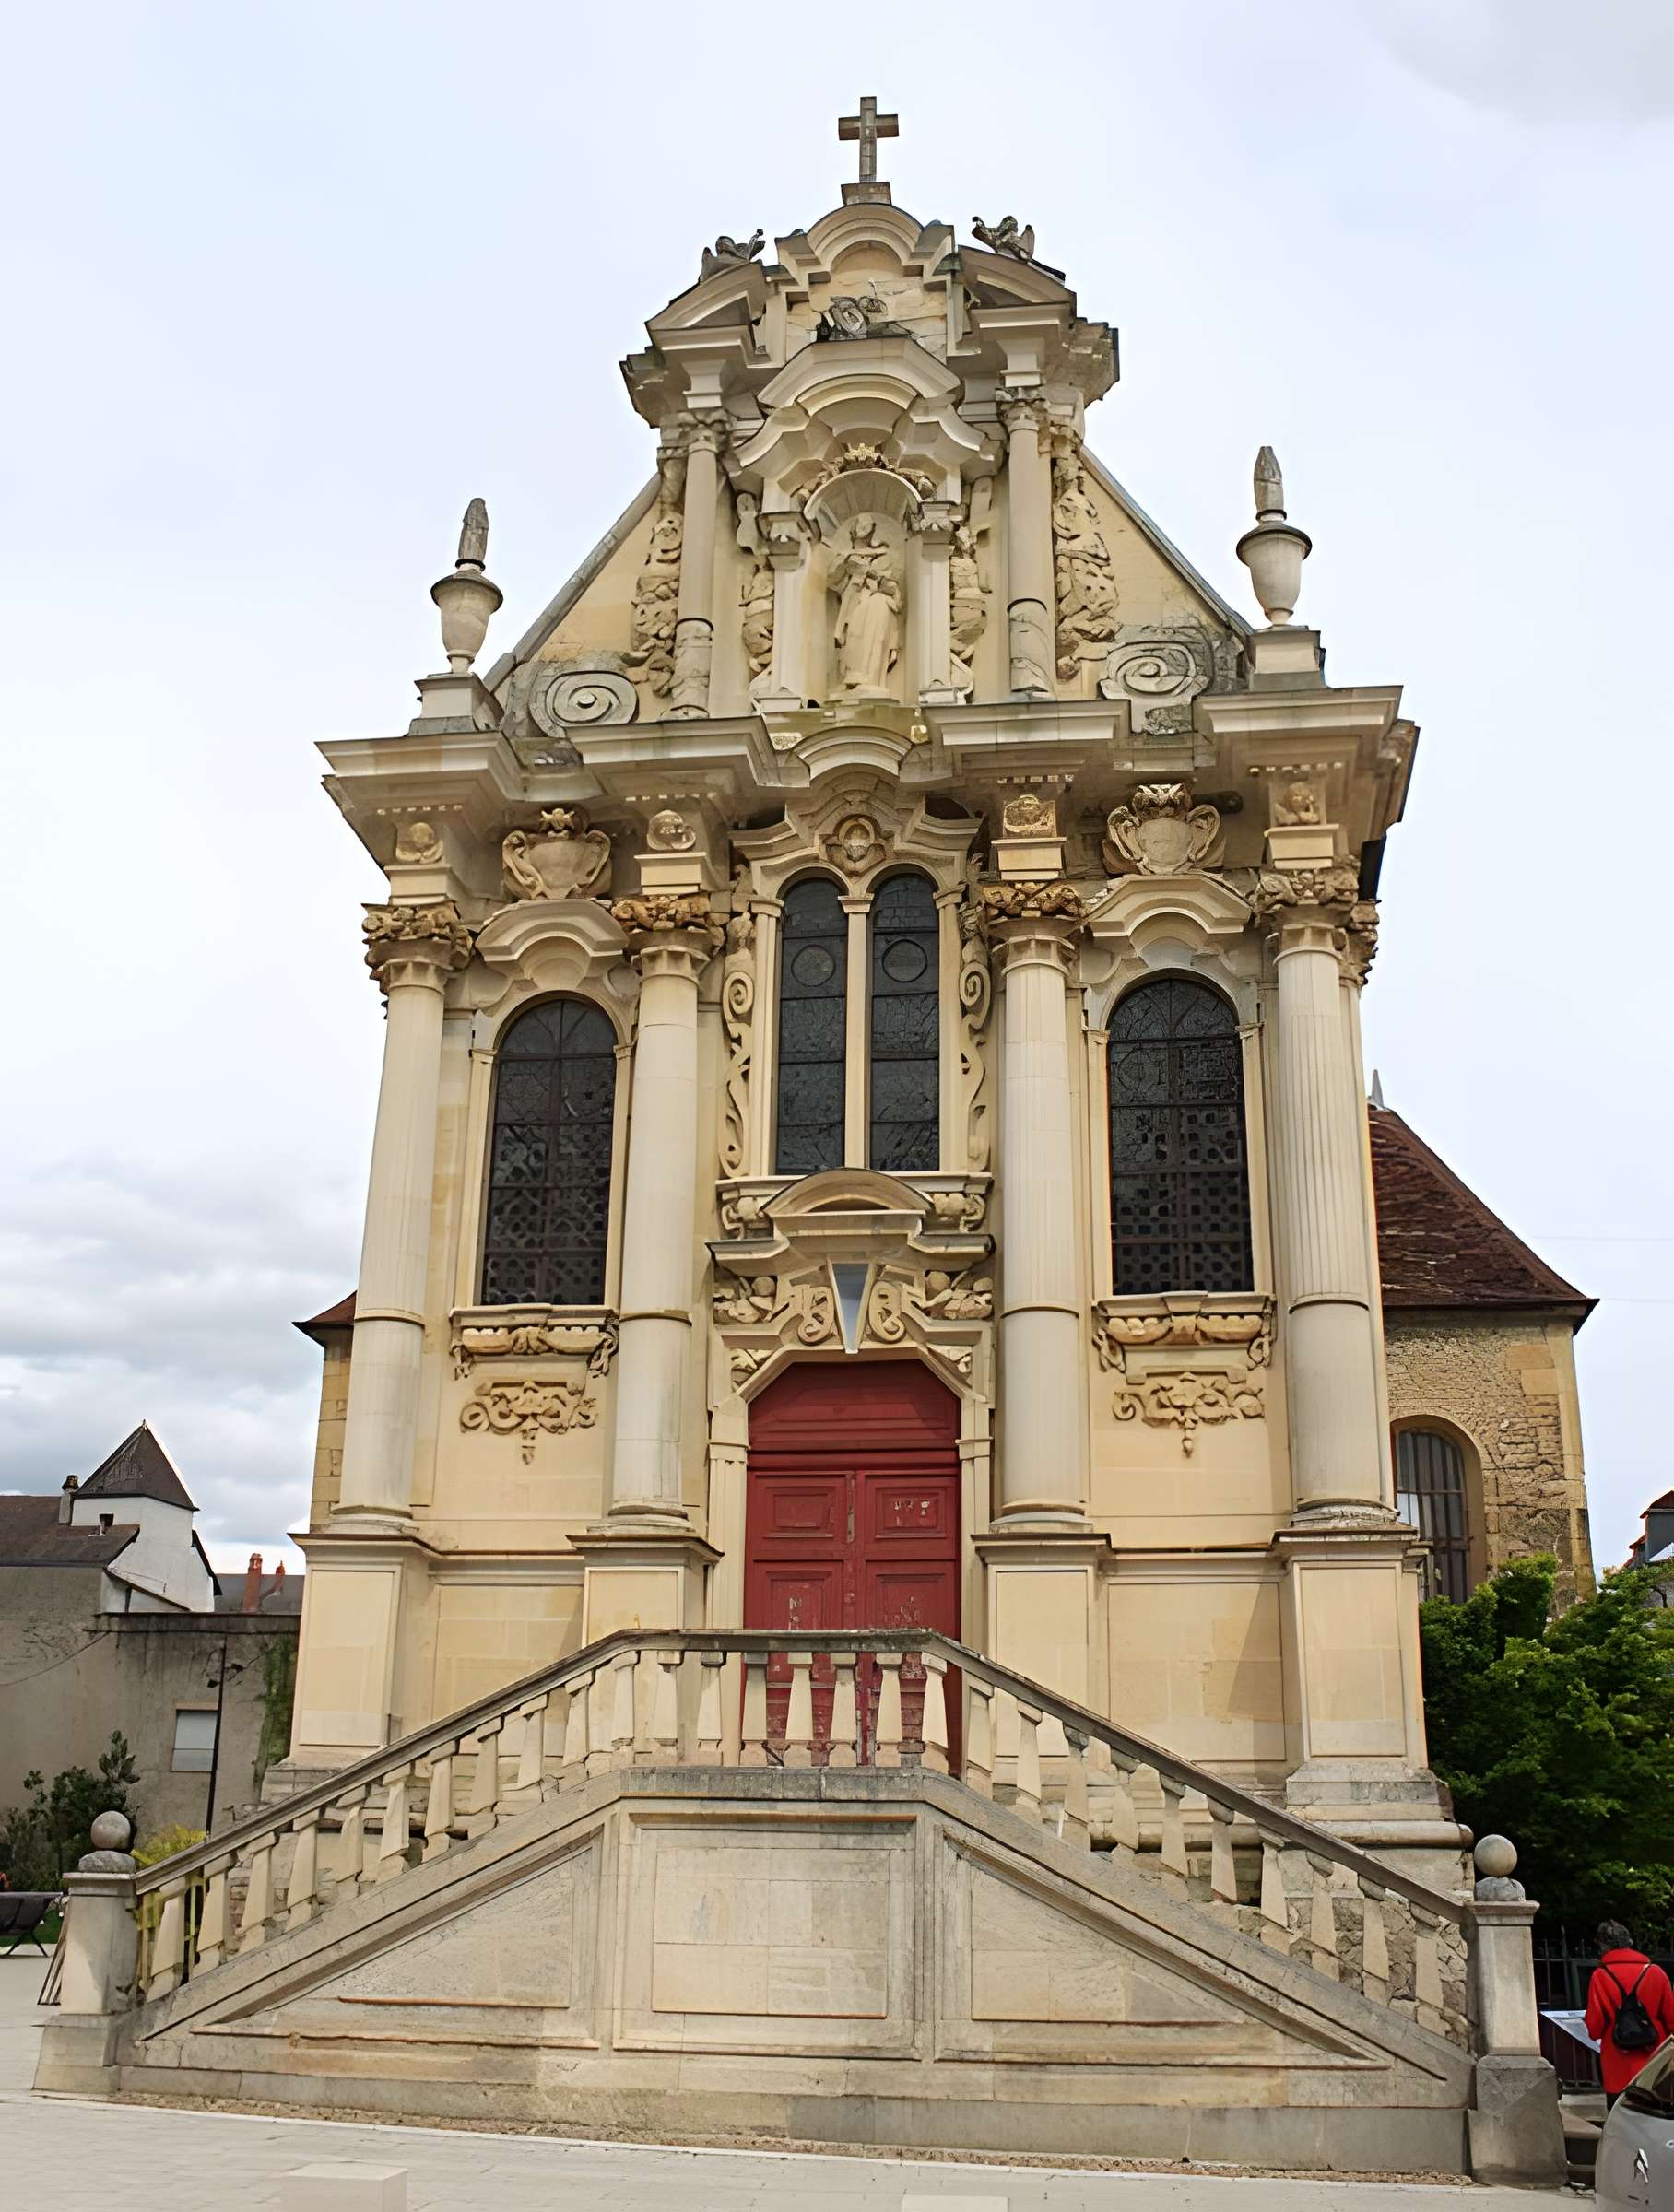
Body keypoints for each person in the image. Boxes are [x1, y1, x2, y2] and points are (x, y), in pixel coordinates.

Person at [1585, 1921, 1674, 2105]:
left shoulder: (1600, 1976)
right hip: (1654, 2058)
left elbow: (1594, 2028)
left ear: (1603, 1945)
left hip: (1617, 2059)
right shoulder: (1655, 1972)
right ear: (1629, 1942)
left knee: (1620, 2115)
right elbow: (1672, 2020)